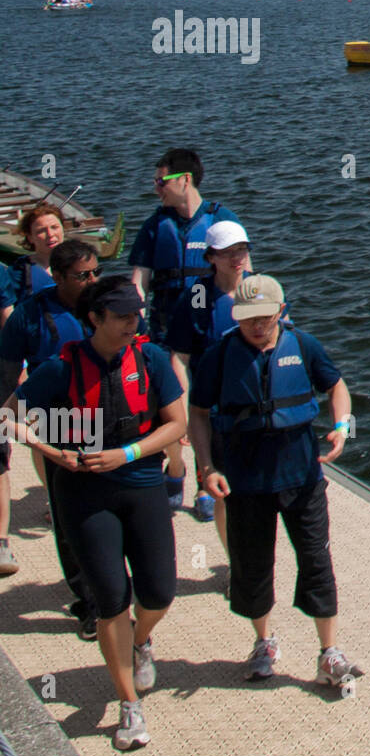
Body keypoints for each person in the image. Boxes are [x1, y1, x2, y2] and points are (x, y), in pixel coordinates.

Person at [2, 278, 186, 751]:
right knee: (110, 600)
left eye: (137, 315)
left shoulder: (152, 359)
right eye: (123, 316)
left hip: (142, 484)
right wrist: (52, 451)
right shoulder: (60, 368)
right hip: (83, 494)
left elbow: (177, 424)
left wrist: (125, 454)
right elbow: (8, 416)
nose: (134, 323)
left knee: (161, 591)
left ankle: (140, 640)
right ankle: (129, 705)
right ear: (95, 320)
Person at [187, 275, 362, 690]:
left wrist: (341, 427)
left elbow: (337, 386)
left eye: (265, 317)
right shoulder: (219, 356)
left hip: (301, 479)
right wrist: (207, 466)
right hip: (245, 483)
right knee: (252, 568)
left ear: (281, 312)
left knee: (317, 563)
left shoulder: (304, 346)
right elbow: (197, 413)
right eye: (248, 318)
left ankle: (328, 653)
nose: (257, 326)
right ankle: (263, 642)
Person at [129, 148, 240, 509]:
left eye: (161, 180)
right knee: (170, 400)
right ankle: (175, 467)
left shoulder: (220, 220)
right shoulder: (153, 226)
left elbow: (245, 274)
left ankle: (206, 482)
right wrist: (131, 317)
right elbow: (138, 281)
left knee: (206, 403)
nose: (156, 187)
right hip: (164, 329)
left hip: (208, 325)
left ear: (185, 179)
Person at [0, 239, 100, 616]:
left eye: (95, 272)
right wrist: (10, 424)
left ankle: (115, 584)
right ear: (57, 277)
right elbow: (9, 375)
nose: (91, 281)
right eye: (81, 275)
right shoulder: (28, 315)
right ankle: (89, 603)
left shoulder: (107, 305)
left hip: (107, 415)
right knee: (69, 514)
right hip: (56, 421)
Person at [166, 220, 277, 529]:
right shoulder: (196, 299)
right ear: (211, 257)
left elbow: (283, 341)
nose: (237, 258)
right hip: (215, 409)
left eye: (242, 250)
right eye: (228, 252)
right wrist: (186, 416)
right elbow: (180, 358)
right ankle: (235, 560)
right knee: (224, 491)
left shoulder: (262, 289)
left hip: (259, 404)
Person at [6, 203, 69, 309]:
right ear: (30, 237)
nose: (50, 234)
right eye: (41, 231)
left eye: (54, 227)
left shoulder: (78, 263)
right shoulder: (19, 271)